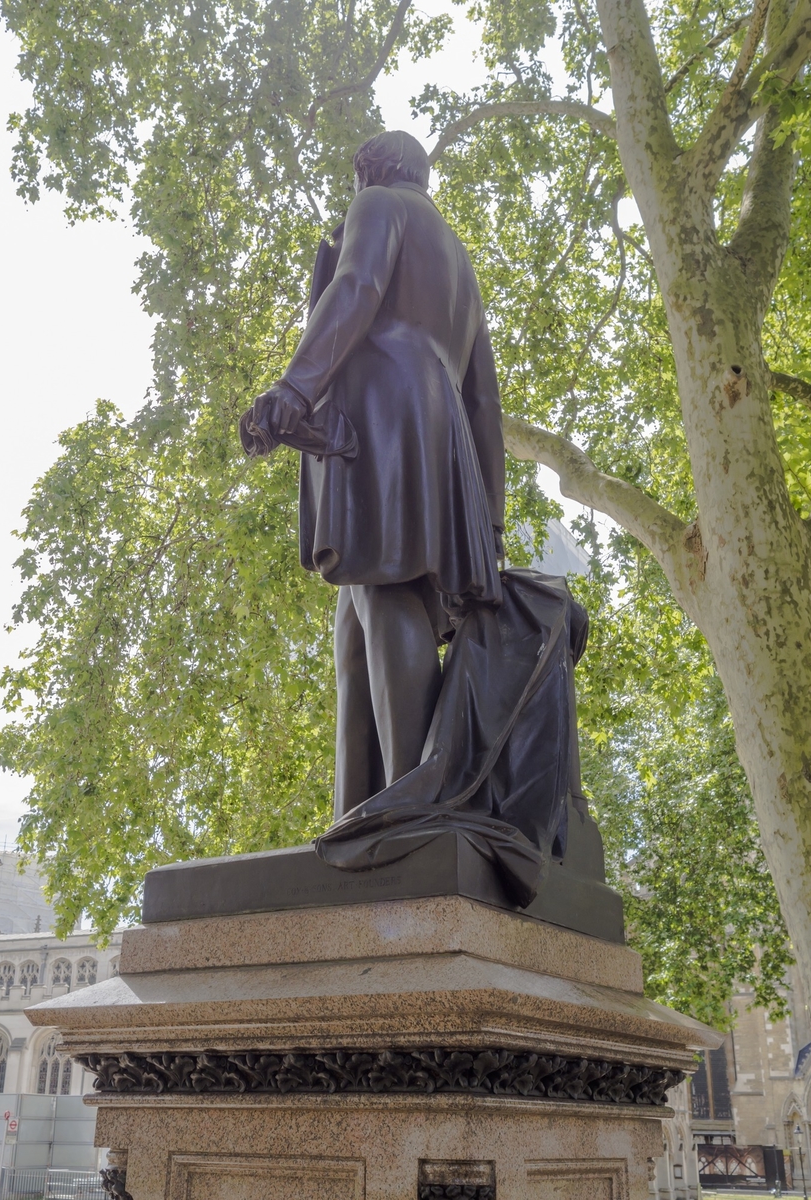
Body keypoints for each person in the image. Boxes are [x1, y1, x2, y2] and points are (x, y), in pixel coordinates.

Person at [246, 130, 505, 820]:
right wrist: (491, 516)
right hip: (438, 427)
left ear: (377, 169)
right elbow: (484, 398)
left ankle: (415, 805)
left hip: (381, 414)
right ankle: (357, 809)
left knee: (385, 592)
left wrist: (296, 389)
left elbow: (356, 287)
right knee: (359, 618)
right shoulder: (459, 260)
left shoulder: (381, 205)